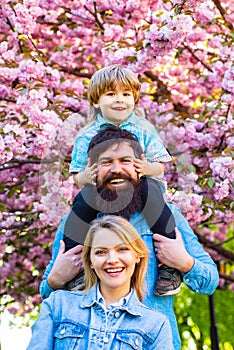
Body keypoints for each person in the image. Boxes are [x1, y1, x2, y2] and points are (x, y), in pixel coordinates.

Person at [40, 126, 219, 350]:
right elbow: (46, 294)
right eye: (106, 162)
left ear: (140, 165)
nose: (117, 169)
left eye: (125, 160)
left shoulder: (166, 215)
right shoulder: (75, 222)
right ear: (92, 169)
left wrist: (184, 262)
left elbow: (210, 281)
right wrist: (55, 279)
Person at [65, 64, 180, 296]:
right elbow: (78, 174)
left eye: (126, 94)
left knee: (154, 198)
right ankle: (73, 266)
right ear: (97, 101)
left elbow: (160, 165)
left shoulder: (144, 129)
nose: (120, 100)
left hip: (142, 185)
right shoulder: (86, 135)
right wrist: (86, 177)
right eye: (111, 94)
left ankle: (169, 266)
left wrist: (147, 168)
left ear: (135, 99)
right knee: (80, 206)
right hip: (102, 189)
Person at [27, 216, 173, 350]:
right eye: (101, 252)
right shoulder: (58, 305)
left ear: (137, 256)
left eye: (122, 249)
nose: (112, 260)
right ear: (90, 261)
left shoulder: (156, 325)